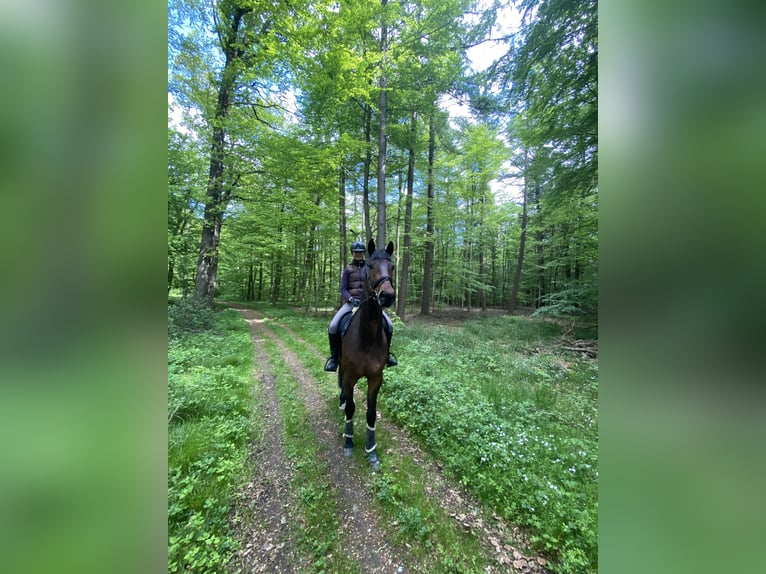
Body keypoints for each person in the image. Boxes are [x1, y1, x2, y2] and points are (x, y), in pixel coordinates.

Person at [324, 240, 397, 372]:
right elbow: (343, 289)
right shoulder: (348, 269)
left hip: (369, 303)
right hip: (351, 303)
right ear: (352, 253)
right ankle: (334, 358)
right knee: (333, 326)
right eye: (356, 252)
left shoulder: (370, 267)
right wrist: (350, 298)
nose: (358, 254)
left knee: (390, 325)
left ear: (364, 253)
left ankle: (387, 356)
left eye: (360, 252)